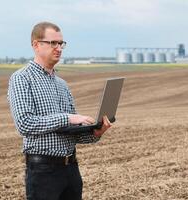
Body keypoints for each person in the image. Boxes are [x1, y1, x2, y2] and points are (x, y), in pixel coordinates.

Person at [7, 21, 111, 200]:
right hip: (43, 172)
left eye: (61, 43)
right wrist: (68, 118)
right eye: (53, 43)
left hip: (71, 169)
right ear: (36, 45)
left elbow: (73, 134)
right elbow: (25, 124)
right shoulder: (21, 78)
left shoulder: (62, 84)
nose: (59, 48)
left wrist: (95, 132)